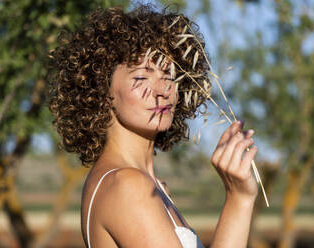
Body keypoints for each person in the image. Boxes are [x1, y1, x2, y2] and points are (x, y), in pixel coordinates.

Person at [48, 4, 258, 248]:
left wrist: (242, 197)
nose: (162, 90)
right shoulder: (127, 186)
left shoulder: (148, 185)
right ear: (101, 90)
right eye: (141, 77)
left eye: (169, 75)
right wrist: (236, 200)